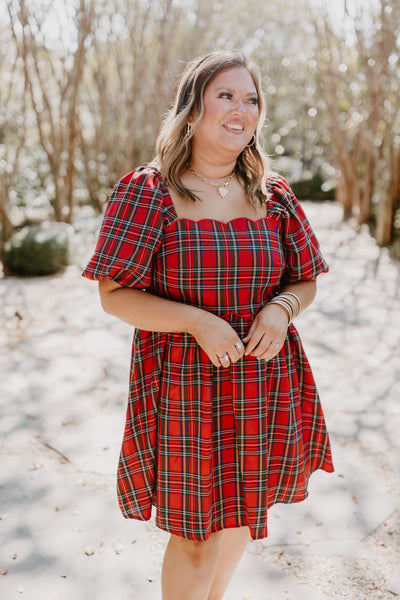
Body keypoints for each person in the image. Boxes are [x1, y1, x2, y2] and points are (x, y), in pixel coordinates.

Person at [82, 49, 334, 600]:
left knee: (245, 514)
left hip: (264, 382)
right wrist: (196, 321)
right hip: (184, 389)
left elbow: (307, 278)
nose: (241, 108)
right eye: (226, 95)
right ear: (192, 109)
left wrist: (281, 307)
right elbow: (113, 294)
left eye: (251, 99)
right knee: (195, 536)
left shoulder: (276, 193)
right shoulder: (146, 192)